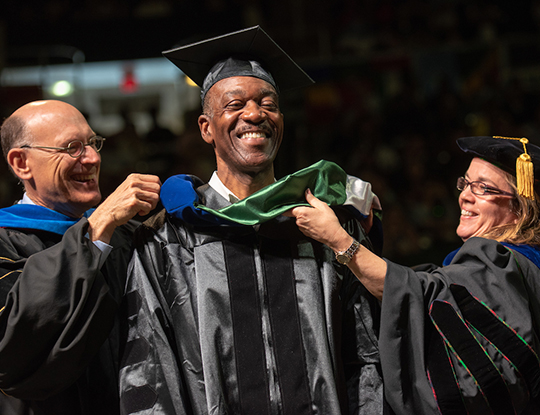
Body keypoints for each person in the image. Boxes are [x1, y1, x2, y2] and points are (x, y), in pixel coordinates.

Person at [119, 26, 384, 415]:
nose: (255, 114)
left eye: (268, 103)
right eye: (235, 104)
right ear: (206, 129)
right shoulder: (169, 237)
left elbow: (364, 351)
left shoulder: (323, 223)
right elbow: (150, 364)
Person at [290, 135, 540, 414]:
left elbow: (418, 296)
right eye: (465, 183)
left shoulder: (502, 260)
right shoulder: (526, 264)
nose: (465, 195)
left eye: (484, 188)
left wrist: (340, 240)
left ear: (521, 209)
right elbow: (430, 290)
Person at [0, 100, 161, 414]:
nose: (92, 157)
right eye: (72, 147)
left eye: (92, 143)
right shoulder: (6, 242)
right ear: (22, 163)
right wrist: (96, 229)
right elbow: (15, 346)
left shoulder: (125, 232)